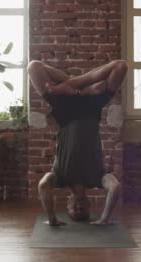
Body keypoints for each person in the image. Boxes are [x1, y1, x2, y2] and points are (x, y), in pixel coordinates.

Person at [27, 59, 128, 226]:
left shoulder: (59, 178)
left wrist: (52, 220)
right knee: (121, 66)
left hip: (66, 113)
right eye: (83, 210)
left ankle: (76, 89)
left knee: (33, 67)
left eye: (74, 210)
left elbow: (43, 185)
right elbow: (115, 187)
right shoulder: (97, 179)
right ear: (90, 204)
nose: (79, 208)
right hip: (91, 109)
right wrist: (104, 218)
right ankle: (80, 90)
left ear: (67, 203)